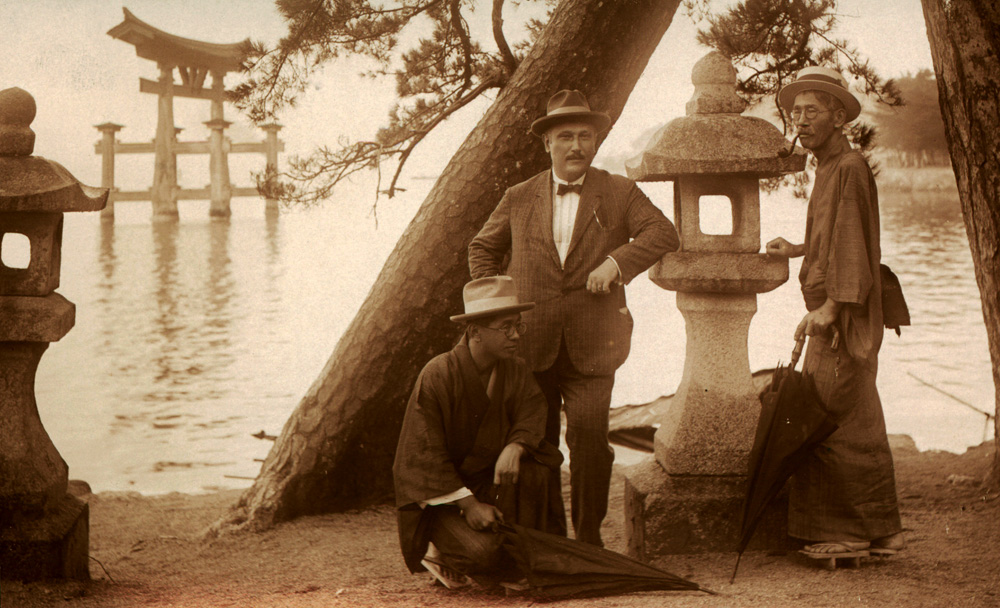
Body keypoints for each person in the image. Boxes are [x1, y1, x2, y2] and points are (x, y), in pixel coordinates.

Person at [468, 90, 679, 546]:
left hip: (594, 341)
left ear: (597, 142)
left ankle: (587, 542)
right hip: (529, 342)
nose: (576, 146)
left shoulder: (619, 191)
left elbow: (663, 232)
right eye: (565, 136)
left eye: (586, 136)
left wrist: (617, 263)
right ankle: (544, 540)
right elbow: (482, 249)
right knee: (536, 445)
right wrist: (500, 309)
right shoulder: (519, 196)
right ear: (547, 143)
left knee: (588, 442)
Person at [766, 66, 905, 560]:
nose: (799, 120)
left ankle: (846, 533)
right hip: (847, 309)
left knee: (823, 415)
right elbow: (838, 235)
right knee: (859, 419)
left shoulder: (847, 167)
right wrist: (798, 248)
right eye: (795, 111)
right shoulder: (829, 165)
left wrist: (827, 308)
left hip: (844, 316)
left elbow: (852, 248)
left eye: (812, 111)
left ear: (839, 116)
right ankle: (882, 530)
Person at [393, 276, 564, 588]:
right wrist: (468, 505)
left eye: (518, 326)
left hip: (488, 485)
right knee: (484, 555)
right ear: (475, 332)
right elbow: (425, 453)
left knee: (536, 478)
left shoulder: (515, 369)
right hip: (444, 499)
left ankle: (488, 553)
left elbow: (532, 411)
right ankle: (440, 550)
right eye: (505, 327)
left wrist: (516, 446)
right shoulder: (438, 374)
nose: (515, 336)